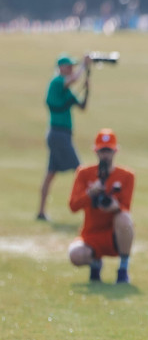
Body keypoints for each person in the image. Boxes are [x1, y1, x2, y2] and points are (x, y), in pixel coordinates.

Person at [68, 129, 135, 283]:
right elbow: (73, 206)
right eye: (102, 151)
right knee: (74, 255)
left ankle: (123, 268)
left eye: (108, 151)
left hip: (114, 234)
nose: (105, 155)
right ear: (96, 151)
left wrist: (115, 207)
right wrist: (90, 193)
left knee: (124, 219)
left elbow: (126, 208)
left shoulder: (127, 176)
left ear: (115, 151)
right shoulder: (84, 173)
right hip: (90, 234)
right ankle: (95, 262)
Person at [38, 54, 91, 220]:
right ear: (60, 68)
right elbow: (73, 79)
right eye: (68, 67)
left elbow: (82, 106)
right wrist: (84, 65)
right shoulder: (56, 82)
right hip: (58, 134)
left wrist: (87, 88)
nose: (71, 69)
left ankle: (41, 212)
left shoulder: (66, 91)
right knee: (81, 171)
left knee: (50, 174)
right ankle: (89, 211)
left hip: (62, 135)